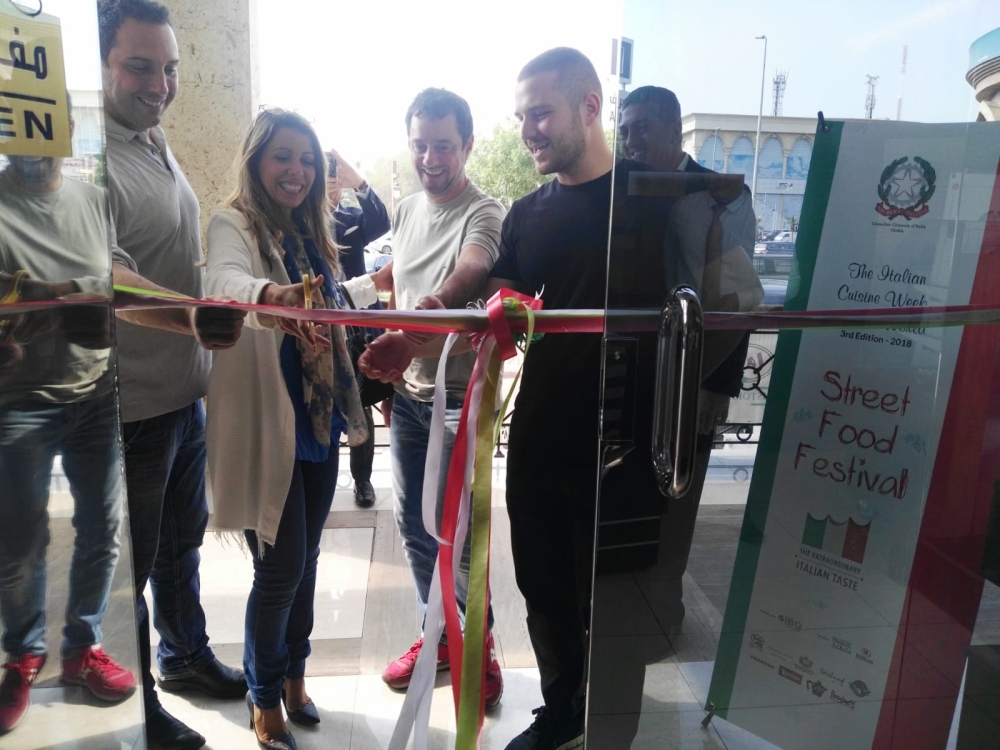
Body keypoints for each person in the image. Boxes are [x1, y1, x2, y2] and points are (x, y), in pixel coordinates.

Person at [204, 107, 380, 750]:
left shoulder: (312, 233)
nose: (297, 170)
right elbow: (222, 283)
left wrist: (367, 288)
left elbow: (326, 303)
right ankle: (262, 695)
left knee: (304, 563)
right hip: (270, 421)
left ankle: (295, 676)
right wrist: (268, 299)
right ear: (256, 162)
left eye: (307, 160)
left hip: (320, 421)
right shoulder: (234, 224)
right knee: (278, 572)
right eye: (283, 157)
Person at [98, 1, 248, 748]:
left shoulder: (152, 140)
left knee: (179, 548)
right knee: (128, 571)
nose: (159, 84)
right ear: (100, 67)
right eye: (139, 66)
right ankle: (137, 706)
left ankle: (184, 657)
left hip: (182, 398)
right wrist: (191, 316)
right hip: (131, 411)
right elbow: (109, 279)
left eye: (169, 68)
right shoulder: (89, 157)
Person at [0, 114, 137, 738]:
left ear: (63, 126)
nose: (30, 146)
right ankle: (23, 655)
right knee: (20, 544)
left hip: (95, 392)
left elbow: (119, 278)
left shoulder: (95, 199)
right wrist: (58, 298)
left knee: (102, 531)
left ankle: (82, 646)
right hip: (17, 402)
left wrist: (185, 315)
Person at [377, 88, 505, 706]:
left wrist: (437, 302)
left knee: (460, 534)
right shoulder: (403, 211)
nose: (431, 157)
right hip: (407, 396)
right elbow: (399, 275)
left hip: (459, 399)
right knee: (414, 526)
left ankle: (477, 646)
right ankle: (442, 637)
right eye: (421, 144)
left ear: (468, 145)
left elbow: (472, 268)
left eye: (444, 146)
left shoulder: (484, 210)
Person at [618, 85, 762, 629]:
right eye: (624, 129)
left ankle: (665, 613)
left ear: (674, 129)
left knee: (679, 496)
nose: (630, 139)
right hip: (635, 371)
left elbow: (737, 300)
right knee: (635, 491)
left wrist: (710, 384)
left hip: (693, 375)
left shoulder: (720, 195)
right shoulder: (627, 187)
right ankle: (629, 603)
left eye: (641, 128)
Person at [325, 148, 391, 508]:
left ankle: (362, 480)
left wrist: (360, 183)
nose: (332, 188)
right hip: (320, 322)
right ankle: (323, 474)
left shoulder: (350, 216)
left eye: (335, 181)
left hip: (357, 323)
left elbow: (381, 223)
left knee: (360, 398)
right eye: (327, 181)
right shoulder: (301, 220)